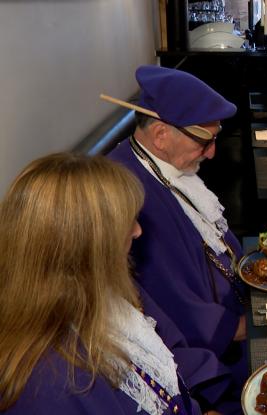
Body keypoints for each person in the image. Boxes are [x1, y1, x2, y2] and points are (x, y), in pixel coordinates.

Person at [0, 153, 201, 414]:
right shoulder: (51, 386)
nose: (137, 230)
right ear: (88, 247)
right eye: (127, 222)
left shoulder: (100, 295)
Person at [107, 65, 247, 414]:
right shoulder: (130, 190)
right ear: (160, 135)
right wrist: (254, 325)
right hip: (209, 352)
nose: (212, 153)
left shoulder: (163, 164)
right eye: (205, 141)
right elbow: (169, 300)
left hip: (232, 310)